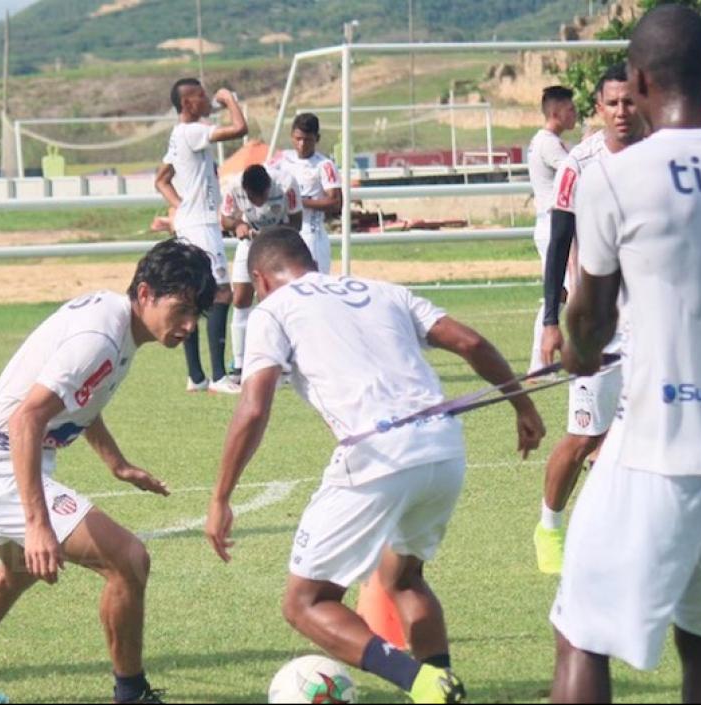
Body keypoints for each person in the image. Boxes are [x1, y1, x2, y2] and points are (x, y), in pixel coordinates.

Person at [551, 5, 701, 702]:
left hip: (658, 445)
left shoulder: (616, 176)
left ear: (635, 79)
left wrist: (574, 347)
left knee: (581, 633)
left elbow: (592, 326)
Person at [204, 227, 545, 704]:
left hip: (376, 455)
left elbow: (254, 407)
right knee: (404, 577)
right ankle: (441, 686)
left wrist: (220, 497)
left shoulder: (274, 310)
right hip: (443, 447)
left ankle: (422, 682)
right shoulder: (383, 290)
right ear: (310, 261)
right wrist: (523, 407)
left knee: (305, 603)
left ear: (259, 278)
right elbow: (469, 342)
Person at [0, 239, 216, 705]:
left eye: (195, 312)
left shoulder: (119, 325)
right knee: (129, 560)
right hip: (0, 460)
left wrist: (116, 463)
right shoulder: (99, 338)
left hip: (4, 454)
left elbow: (79, 400)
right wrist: (37, 525)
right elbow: (26, 419)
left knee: (15, 572)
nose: (189, 325)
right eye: (180, 309)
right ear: (144, 294)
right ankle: (131, 694)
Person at [534, 63, 643, 576]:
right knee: (582, 439)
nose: (622, 111)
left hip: (655, 324)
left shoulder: (661, 154)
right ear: (599, 108)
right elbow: (559, 243)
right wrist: (552, 320)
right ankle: (549, 527)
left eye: (630, 102)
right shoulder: (579, 164)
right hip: (596, 323)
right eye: (613, 103)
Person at [155, 78, 247, 395]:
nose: (208, 99)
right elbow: (239, 130)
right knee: (222, 292)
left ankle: (196, 376)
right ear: (187, 104)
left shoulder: (179, 134)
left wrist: (180, 208)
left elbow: (161, 179)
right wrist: (230, 99)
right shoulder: (192, 131)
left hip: (192, 222)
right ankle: (220, 376)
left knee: (191, 297)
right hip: (202, 227)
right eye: (201, 96)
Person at [220, 164, 302, 381]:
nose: (257, 202)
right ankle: (239, 364)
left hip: (278, 245)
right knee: (240, 298)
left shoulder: (286, 184)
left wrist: (270, 234)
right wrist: (238, 224)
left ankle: (283, 363)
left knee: (278, 301)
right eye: (252, 197)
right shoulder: (233, 185)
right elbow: (225, 218)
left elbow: (297, 222)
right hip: (249, 245)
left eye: (262, 197)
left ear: (269, 188)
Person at [527, 86, 578, 377]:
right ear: (556, 112)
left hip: (548, 225)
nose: (574, 114)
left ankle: (541, 364)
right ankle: (541, 363)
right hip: (553, 225)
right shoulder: (548, 144)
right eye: (570, 109)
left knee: (558, 294)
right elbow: (574, 172)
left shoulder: (544, 142)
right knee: (561, 293)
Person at [266, 113, 342, 274]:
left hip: (311, 234)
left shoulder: (324, 165)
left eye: (307, 140)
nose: (301, 144)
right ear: (292, 136)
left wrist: (297, 201)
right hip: (284, 231)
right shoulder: (281, 159)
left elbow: (336, 202)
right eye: (298, 139)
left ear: (317, 138)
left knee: (315, 285)